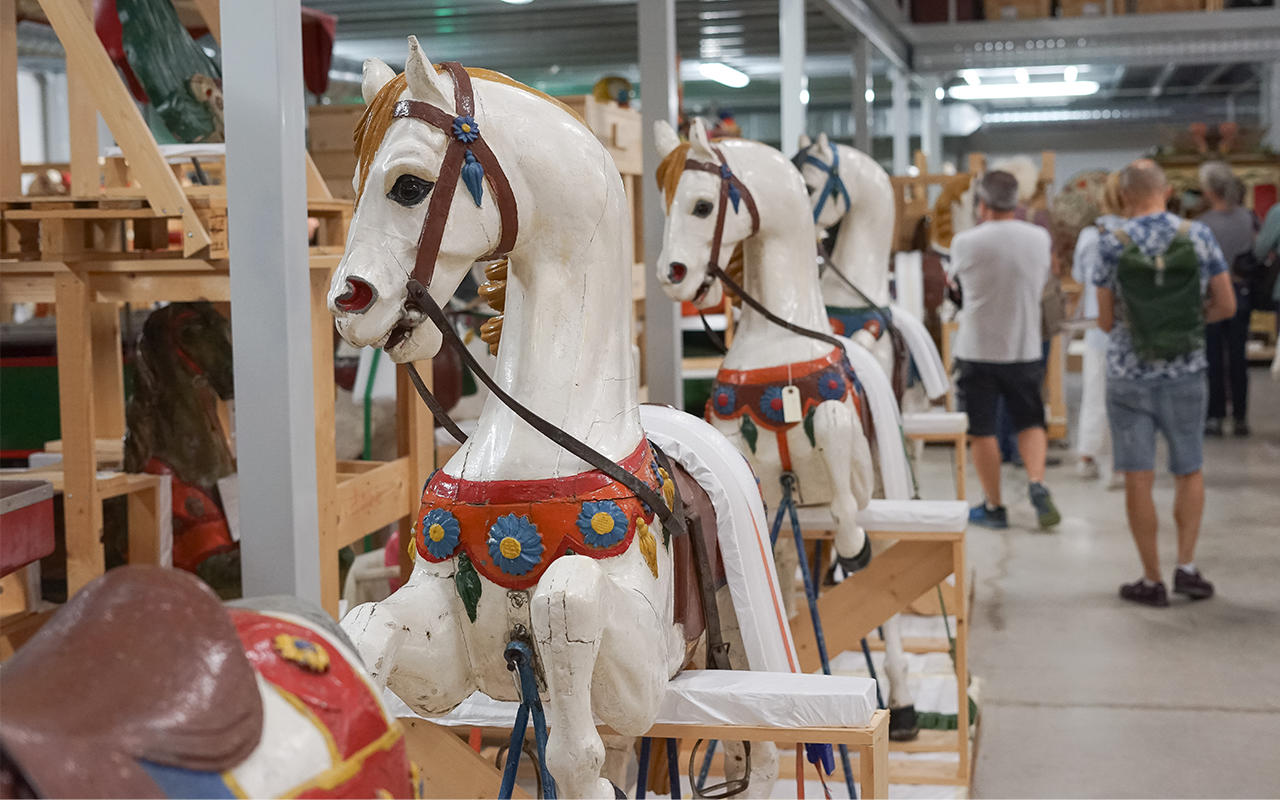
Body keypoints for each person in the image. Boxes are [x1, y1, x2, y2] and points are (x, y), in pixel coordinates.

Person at [1094, 159, 1236, 607]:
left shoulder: (1111, 243)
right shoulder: (1196, 236)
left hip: (1128, 374)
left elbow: (1105, 319)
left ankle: (1152, 579)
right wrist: (1192, 323)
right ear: (1168, 190)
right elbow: (1227, 305)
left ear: (1124, 196)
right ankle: (1187, 568)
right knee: (1188, 468)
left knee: (1138, 474)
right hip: (1186, 370)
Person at [948, 170, 1061, 530]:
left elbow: (957, 287)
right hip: (1024, 347)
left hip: (978, 349)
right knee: (1030, 420)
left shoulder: (966, 242)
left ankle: (995, 506)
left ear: (982, 204)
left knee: (982, 430)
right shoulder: (1039, 238)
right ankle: (1037, 483)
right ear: (1018, 202)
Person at [1071, 171, 1125, 486]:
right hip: (1131, 328)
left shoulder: (1090, 237)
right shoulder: (1138, 234)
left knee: (1095, 390)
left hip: (1097, 325)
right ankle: (1120, 464)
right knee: (1126, 398)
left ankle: (1087, 456)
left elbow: (1080, 277)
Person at [1197, 162, 1258, 437]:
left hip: (1211, 298)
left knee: (1212, 356)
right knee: (1237, 357)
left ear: (1209, 191)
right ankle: (1241, 417)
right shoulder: (1249, 218)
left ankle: (1215, 415)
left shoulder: (1202, 225)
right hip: (1242, 294)